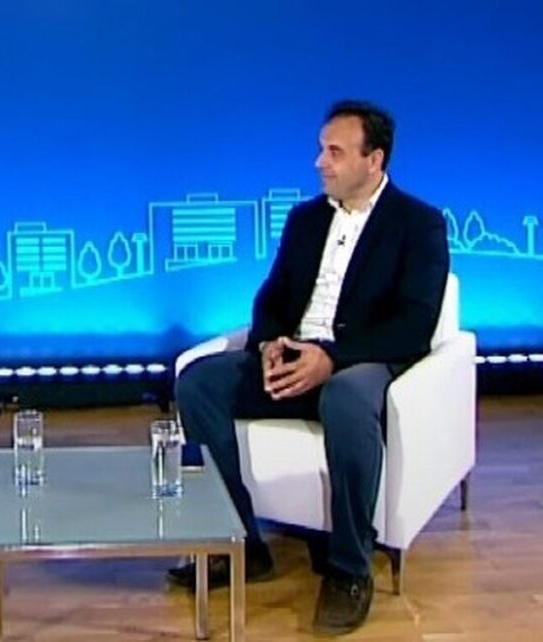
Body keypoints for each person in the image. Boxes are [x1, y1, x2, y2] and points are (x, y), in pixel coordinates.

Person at [169, 100, 449, 635]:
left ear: (374, 160)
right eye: (321, 149)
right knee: (198, 382)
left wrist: (333, 358)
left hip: (361, 363)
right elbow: (272, 297)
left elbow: (415, 324)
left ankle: (349, 569)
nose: (320, 162)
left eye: (335, 152)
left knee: (345, 397)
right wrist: (270, 345)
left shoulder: (418, 224)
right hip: (295, 356)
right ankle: (239, 544)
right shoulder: (306, 219)